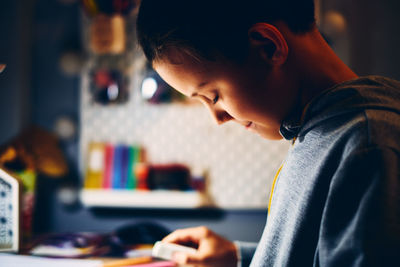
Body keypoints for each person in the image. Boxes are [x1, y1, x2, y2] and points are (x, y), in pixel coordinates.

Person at [136, 0, 400, 266]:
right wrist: (239, 257)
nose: (218, 118)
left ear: (267, 47)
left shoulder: (367, 148)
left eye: (213, 96)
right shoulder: (320, 130)